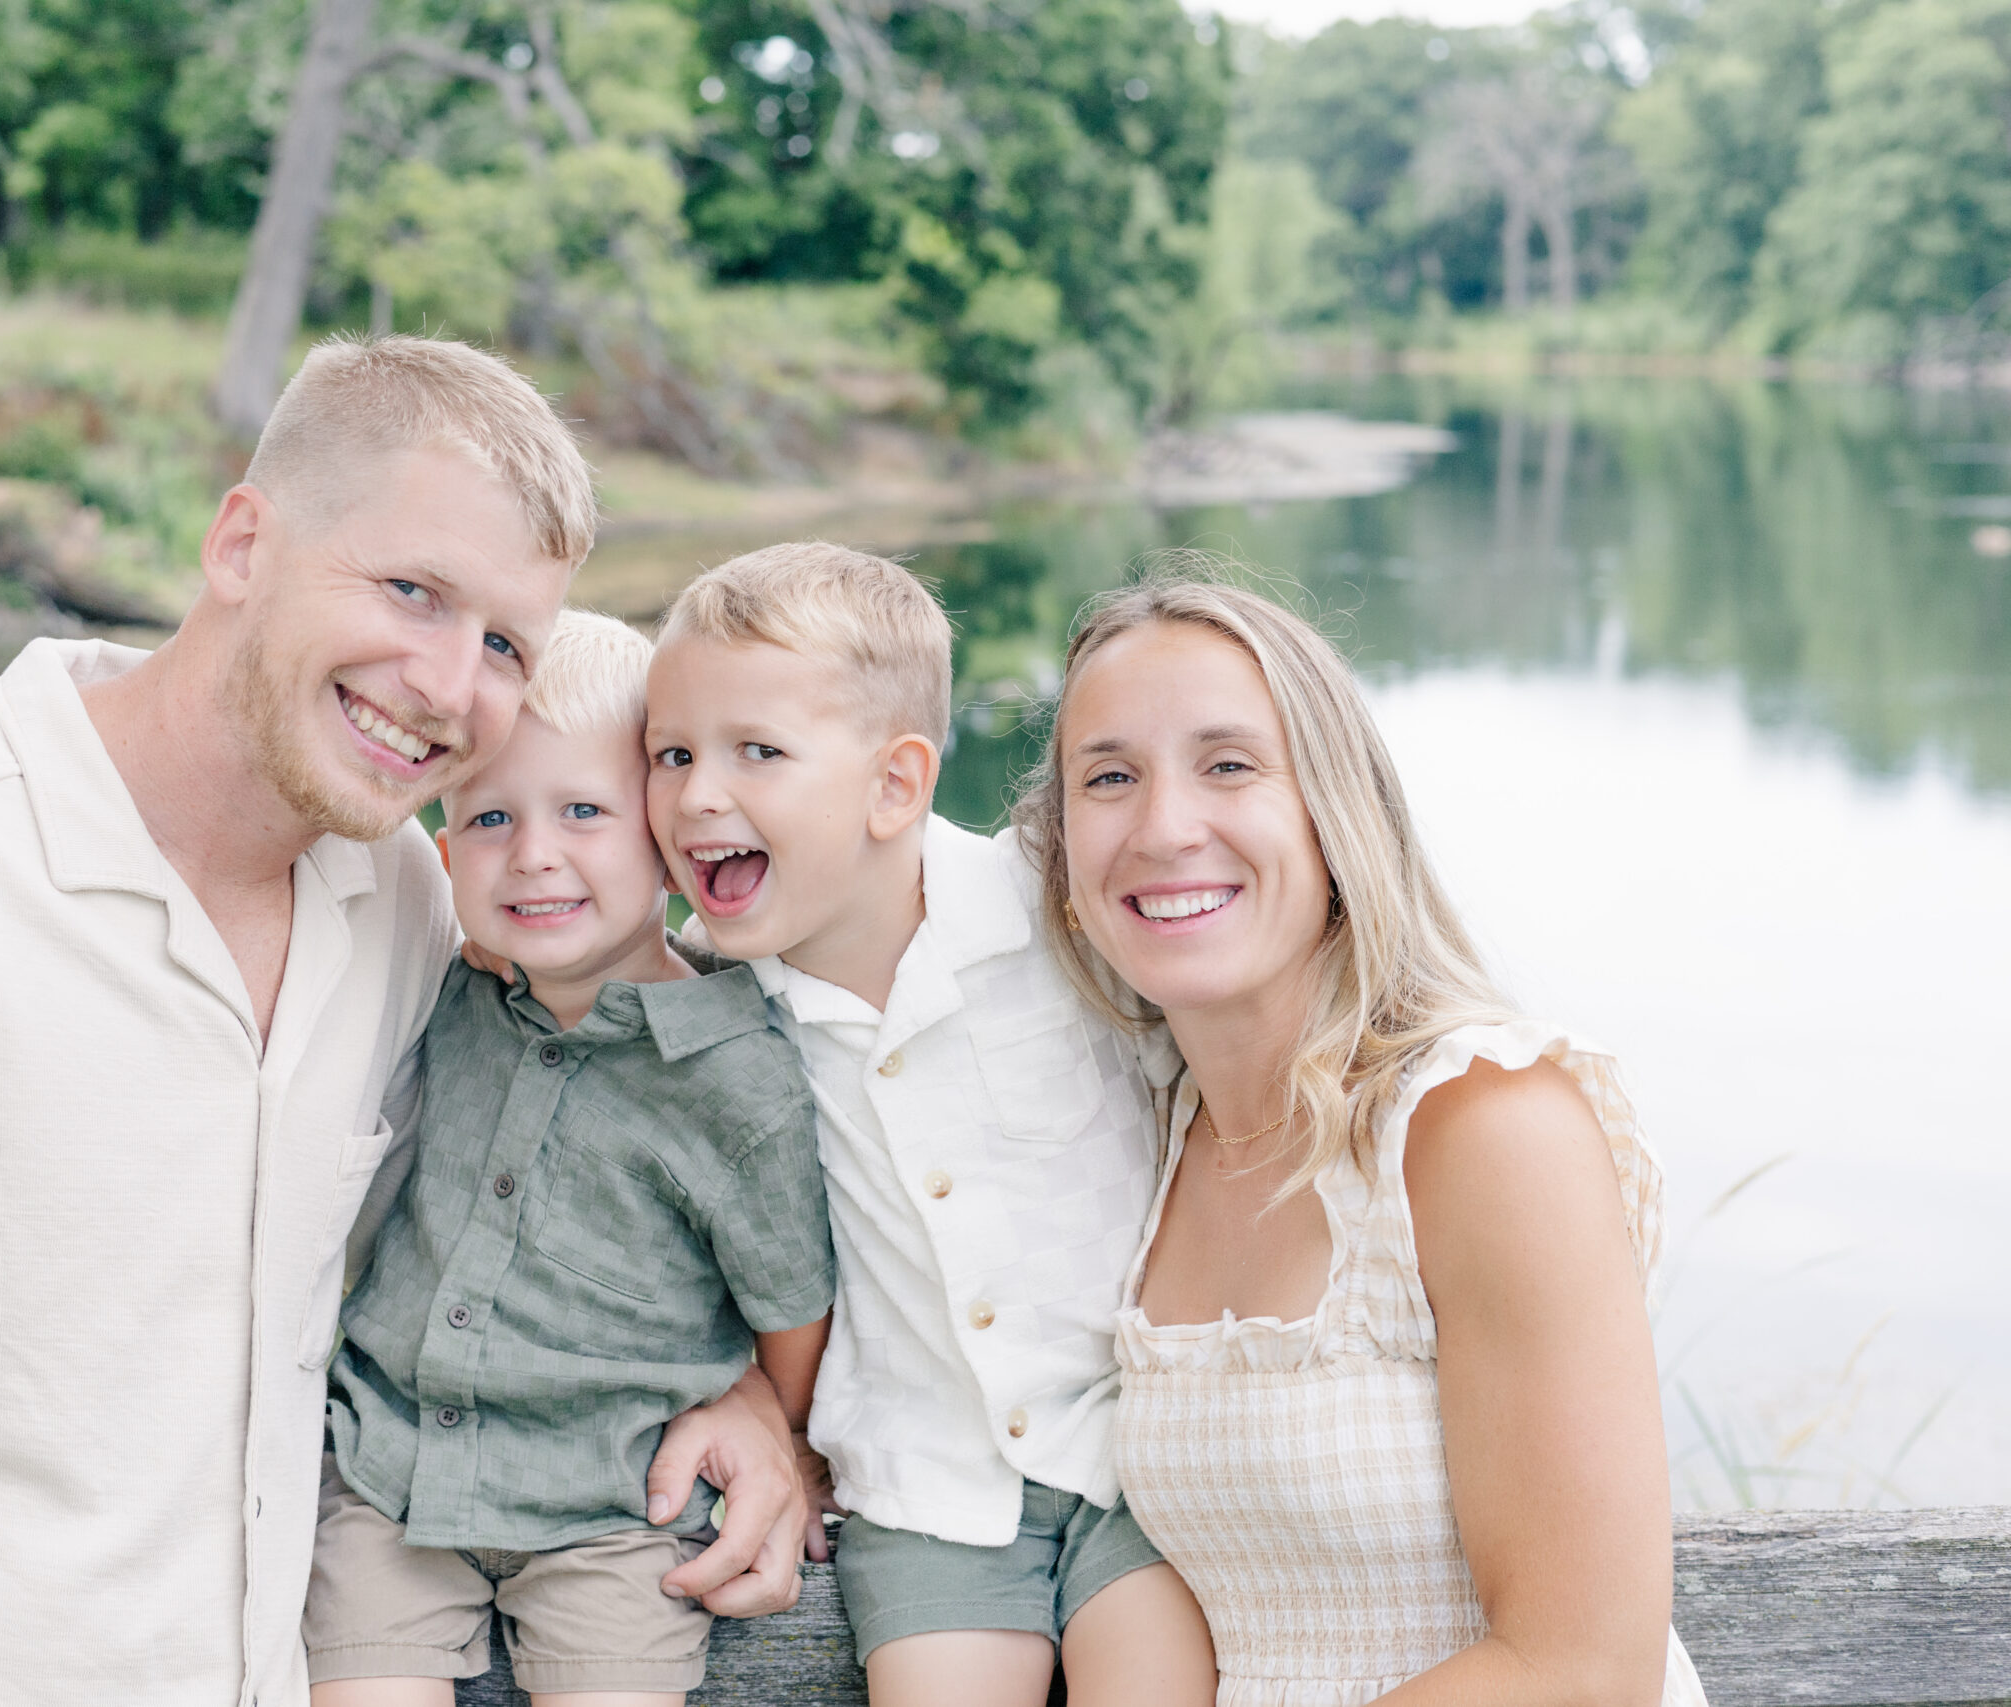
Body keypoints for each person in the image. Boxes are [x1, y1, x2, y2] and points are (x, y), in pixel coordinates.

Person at [0, 335, 809, 1707]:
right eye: (413, 590)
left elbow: (561, 1166)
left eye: (505, 645)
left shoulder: (412, 902)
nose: (447, 683)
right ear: (241, 544)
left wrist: (744, 1397)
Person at [1012, 572, 1707, 1705]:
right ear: (1060, 851)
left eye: (1229, 765)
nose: (1164, 827)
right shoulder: (1150, 1130)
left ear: (1335, 812)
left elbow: (1583, 1669)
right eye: (1109, 777)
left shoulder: (1483, 1125)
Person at [640, 543, 1216, 1707]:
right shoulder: (703, 1010)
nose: (697, 795)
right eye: (671, 754)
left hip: (1133, 1467)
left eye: (757, 751)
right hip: (924, 1494)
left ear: (895, 786)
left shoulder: (1058, 913)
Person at [304, 609, 835, 1707]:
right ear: (445, 855)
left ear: (669, 846)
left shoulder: (733, 1076)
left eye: (584, 811)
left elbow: (793, 1304)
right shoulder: (450, 998)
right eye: (491, 818)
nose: (533, 854)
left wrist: (779, 1431)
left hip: (616, 1507)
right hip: (394, 1473)